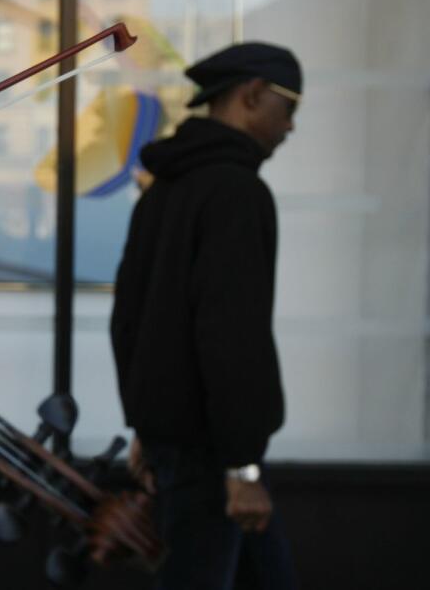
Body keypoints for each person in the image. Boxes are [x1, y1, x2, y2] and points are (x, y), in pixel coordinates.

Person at [110, 42, 302, 590]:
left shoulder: (162, 191)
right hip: (213, 459)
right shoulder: (239, 193)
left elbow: (129, 317)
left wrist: (147, 423)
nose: (291, 128)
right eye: (289, 110)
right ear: (252, 96)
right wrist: (242, 469)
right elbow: (232, 335)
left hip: (179, 444)